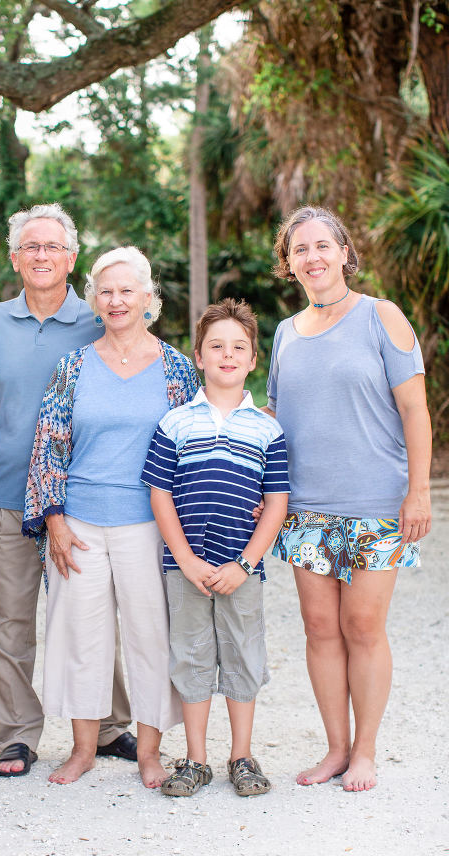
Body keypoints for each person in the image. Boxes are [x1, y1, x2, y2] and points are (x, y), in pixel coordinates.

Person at [267, 205, 432, 792]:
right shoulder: (285, 333)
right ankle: (334, 748)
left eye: (321, 246)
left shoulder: (380, 316)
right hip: (306, 507)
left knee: (363, 626)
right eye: (299, 250)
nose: (311, 257)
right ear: (288, 263)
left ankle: (365, 751)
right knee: (319, 628)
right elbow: (279, 419)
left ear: (343, 252)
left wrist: (417, 493)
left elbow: (415, 409)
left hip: (375, 504)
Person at [23, 246, 200, 787]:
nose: (117, 300)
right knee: (82, 636)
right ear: (93, 300)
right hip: (79, 523)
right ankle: (82, 749)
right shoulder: (73, 366)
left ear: (149, 298)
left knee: (151, 636)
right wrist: (53, 519)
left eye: (128, 290)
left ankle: (150, 753)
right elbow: (49, 444)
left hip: (151, 524)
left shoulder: (177, 369)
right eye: (106, 291)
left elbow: (196, 448)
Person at [0, 204, 136, 777]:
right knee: (7, 622)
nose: (41, 256)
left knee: (95, 615)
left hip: (86, 499)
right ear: (15, 257)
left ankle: (112, 725)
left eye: (52, 247)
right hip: (3, 493)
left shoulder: (102, 319)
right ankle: (17, 734)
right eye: (30, 247)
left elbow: (146, 383)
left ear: (72, 259)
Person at [142, 299, 290, 798]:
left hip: (241, 569)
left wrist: (246, 563)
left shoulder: (267, 429)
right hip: (185, 566)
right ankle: (197, 759)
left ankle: (242, 756)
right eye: (216, 346)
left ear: (253, 360)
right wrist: (184, 558)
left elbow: (277, 503)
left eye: (239, 347)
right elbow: (159, 491)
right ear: (199, 357)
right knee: (191, 657)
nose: (228, 355)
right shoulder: (175, 422)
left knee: (243, 654)